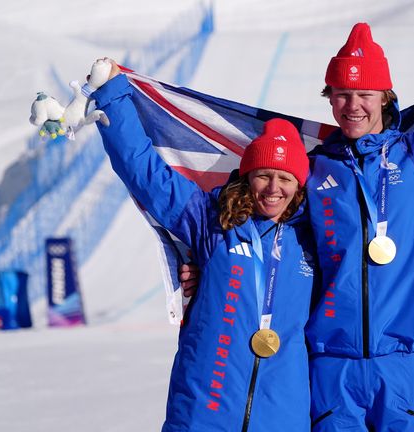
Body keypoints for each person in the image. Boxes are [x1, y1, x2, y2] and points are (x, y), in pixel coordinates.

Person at [183, 23, 414, 431]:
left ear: (384, 98)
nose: (353, 105)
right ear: (330, 97)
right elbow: (255, 228)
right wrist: (207, 267)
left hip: (411, 370)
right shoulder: (312, 173)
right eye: (342, 94)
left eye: (364, 94)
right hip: (332, 376)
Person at [91, 61, 317, 432]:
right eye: (263, 175)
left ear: (299, 184)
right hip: (205, 409)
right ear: (248, 175)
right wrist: (113, 97)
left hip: (283, 414)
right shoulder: (210, 220)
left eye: (284, 178)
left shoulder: (314, 238)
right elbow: (145, 172)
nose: (273, 189)